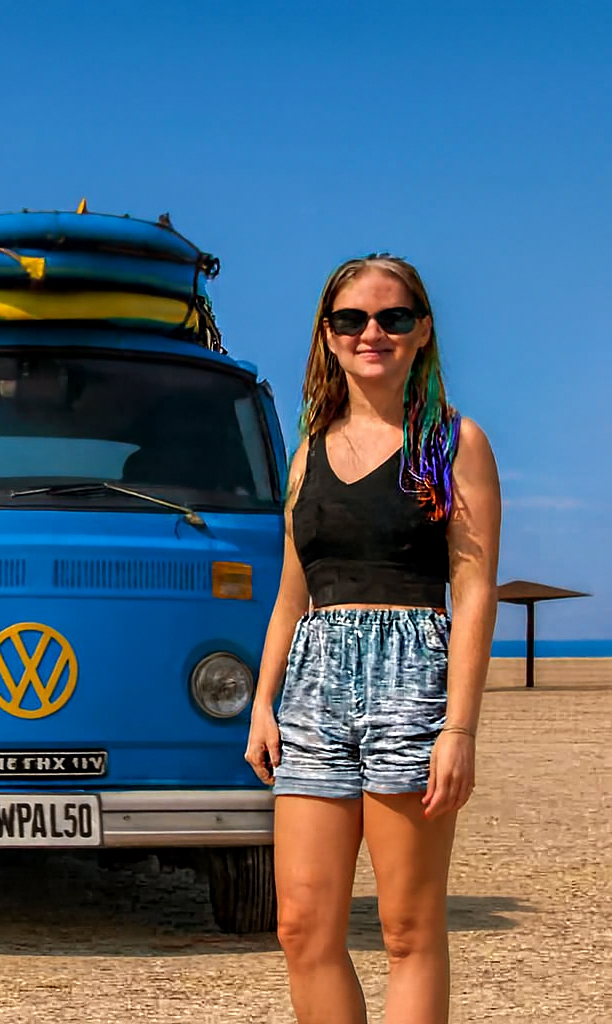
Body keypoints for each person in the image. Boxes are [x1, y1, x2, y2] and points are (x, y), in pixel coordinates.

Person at [245, 254, 501, 1024]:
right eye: (351, 319)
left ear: (422, 330)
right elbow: (292, 595)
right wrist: (264, 703)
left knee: (408, 929)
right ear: (327, 335)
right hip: (314, 691)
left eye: (393, 317)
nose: (372, 333)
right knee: (300, 927)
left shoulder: (455, 443)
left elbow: (475, 587)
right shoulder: (306, 452)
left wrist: (459, 727)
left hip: (414, 681)